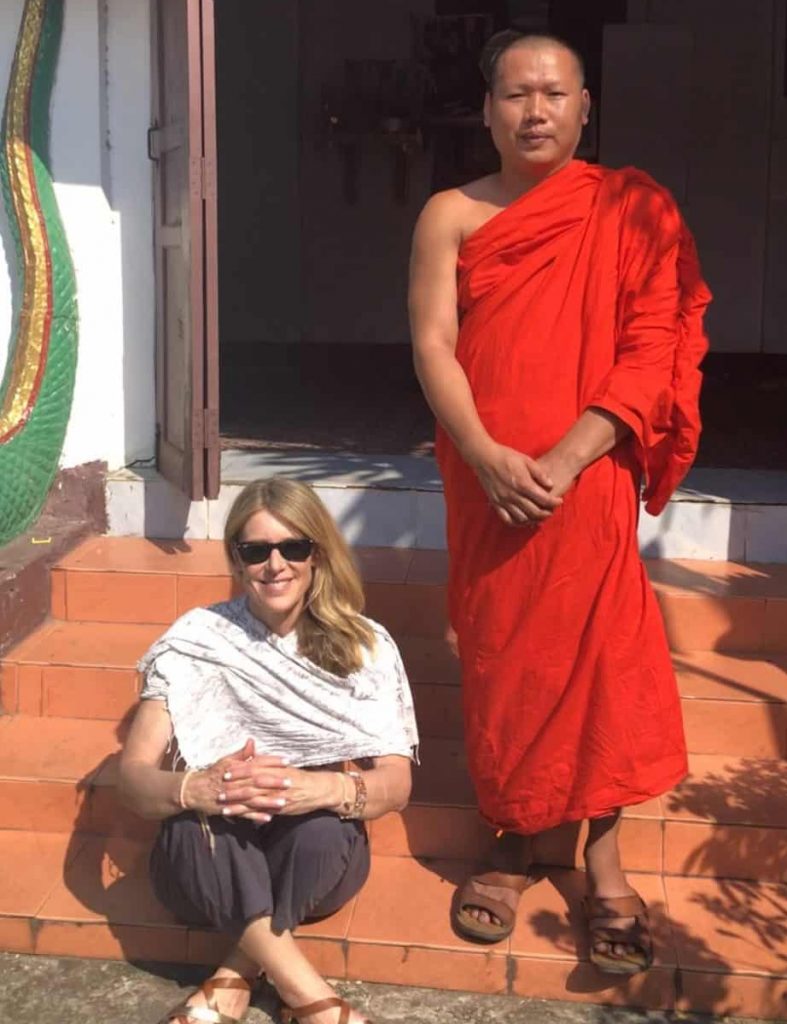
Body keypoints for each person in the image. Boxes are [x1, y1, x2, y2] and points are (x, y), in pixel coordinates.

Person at [408, 29, 710, 974]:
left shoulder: (633, 207)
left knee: (598, 660)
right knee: (503, 654)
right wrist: (488, 455)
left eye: (553, 93)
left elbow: (653, 344)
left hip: (588, 476)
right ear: (487, 109)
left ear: (586, 108)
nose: (534, 111)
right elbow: (432, 345)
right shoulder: (450, 213)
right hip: (485, 477)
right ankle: (510, 836)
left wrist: (571, 455)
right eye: (514, 95)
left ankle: (602, 859)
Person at [119, 477, 418, 1024]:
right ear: (237, 559)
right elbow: (134, 778)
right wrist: (197, 787)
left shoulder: (364, 644)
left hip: (312, 865)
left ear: (318, 554)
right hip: (205, 867)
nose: (275, 565)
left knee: (324, 827)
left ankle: (236, 973)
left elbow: (396, 784)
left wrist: (320, 787)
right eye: (256, 550)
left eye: (293, 547)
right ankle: (314, 1003)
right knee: (197, 821)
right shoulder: (196, 640)